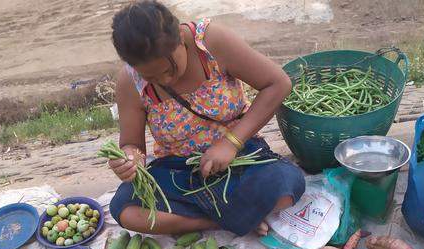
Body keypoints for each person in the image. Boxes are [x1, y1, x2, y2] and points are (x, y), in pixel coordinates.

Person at [108, 0, 305, 236]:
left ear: (181, 39)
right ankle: (220, 221)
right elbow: (132, 144)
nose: (165, 80)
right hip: (178, 169)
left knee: (285, 184)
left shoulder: (211, 42)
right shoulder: (130, 81)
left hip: (239, 157)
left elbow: (278, 83)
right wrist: (130, 159)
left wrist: (231, 142)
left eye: (169, 69)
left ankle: (222, 214)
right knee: (125, 209)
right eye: (152, 77)